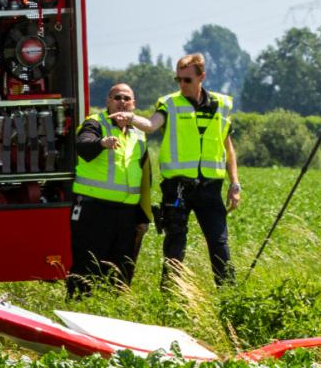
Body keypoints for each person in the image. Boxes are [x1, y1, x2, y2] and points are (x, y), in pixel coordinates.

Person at [112, 53, 241, 287]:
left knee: (219, 243)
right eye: (178, 79)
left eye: (187, 80)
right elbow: (151, 125)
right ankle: (170, 295)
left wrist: (235, 184)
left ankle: (229, 295)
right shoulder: (170, 103)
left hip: (210, 189)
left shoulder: (221, 106)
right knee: (175, 244)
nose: (182, 85)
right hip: (178, 188)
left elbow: (228, 149)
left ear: (202, 77)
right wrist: (131, 118)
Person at [67, 83, 152, 298]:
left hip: (125, 214)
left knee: (120, 271)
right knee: (86, 268)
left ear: (133, 104)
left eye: (127, 98)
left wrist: (143, 215)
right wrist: (101, 143)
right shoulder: (95, 123)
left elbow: (144, 178)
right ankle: (78, 307)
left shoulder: (139, 135)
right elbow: (83, 146)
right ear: (108, 101)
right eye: (117, 97)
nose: (122, 101)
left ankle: (114, 310)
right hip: (94, 210)